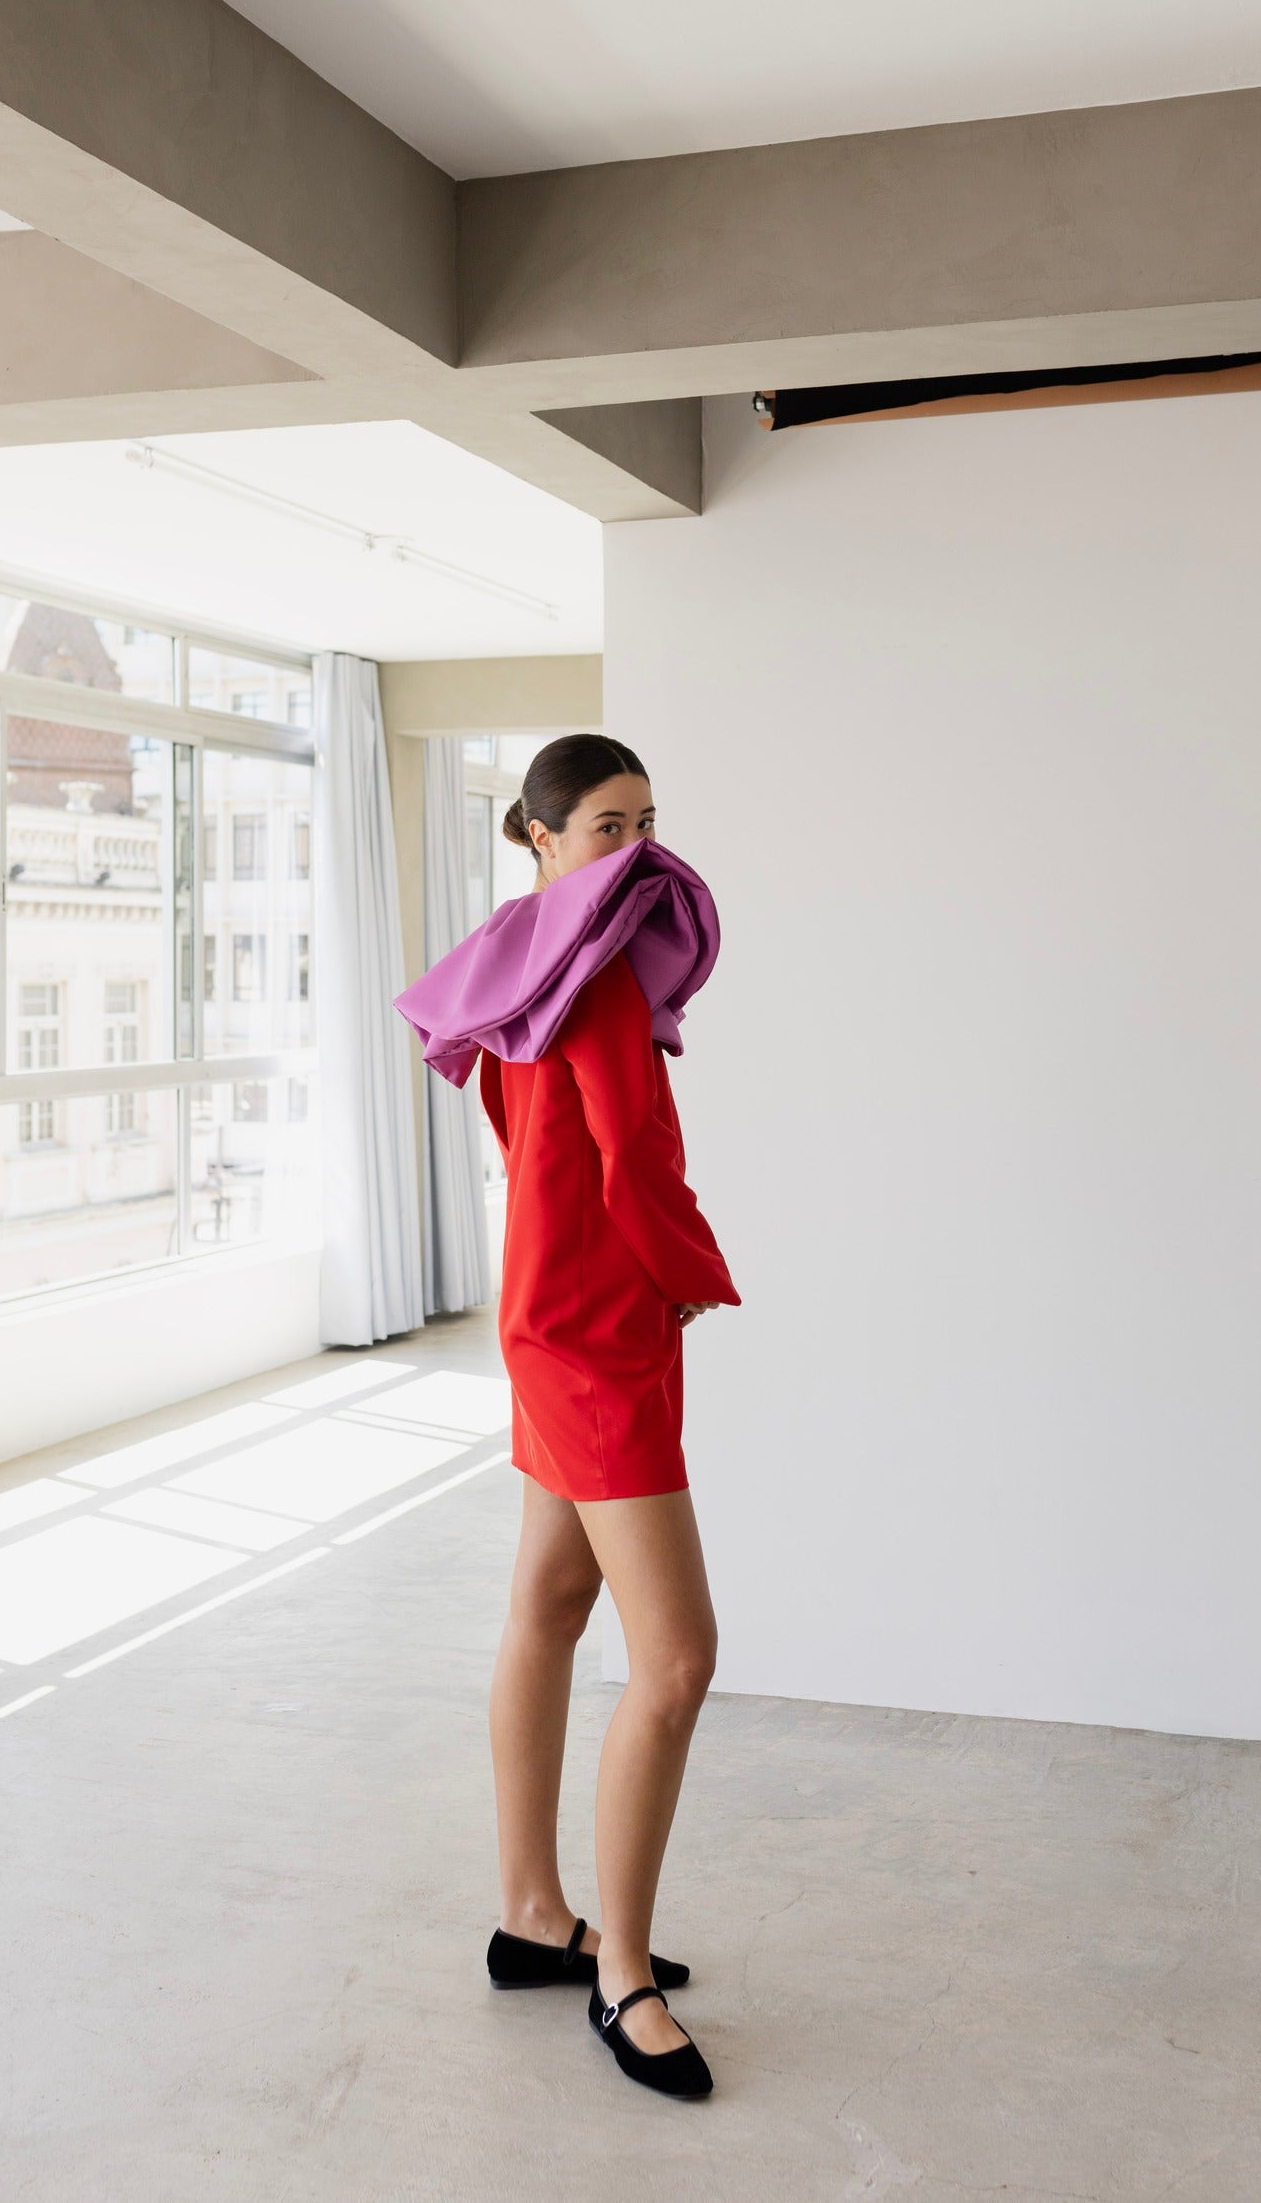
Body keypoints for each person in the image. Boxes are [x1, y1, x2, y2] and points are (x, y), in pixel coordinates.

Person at [394, 734, 740, 2101]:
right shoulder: (592, 972)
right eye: (606, 825)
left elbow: (531, 1145)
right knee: (677, 1662)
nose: (634, 847)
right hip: (598, 1337)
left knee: (546, 1604)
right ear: (536, 834)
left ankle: (534, 1916)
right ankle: (623, 1978)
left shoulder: (517, 964)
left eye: (648, 821)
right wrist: (692, 1280)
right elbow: (633, 1156)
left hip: (547, 1318)